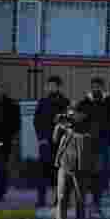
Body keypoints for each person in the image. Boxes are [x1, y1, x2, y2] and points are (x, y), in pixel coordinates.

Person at [52, 103, 99, 219]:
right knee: (61, 199)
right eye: (70, 113)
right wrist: (59, 127)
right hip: (64, 167)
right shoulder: (65, 126)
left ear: (82, 114)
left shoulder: (89, 125)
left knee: (80, 200)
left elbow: (88, 140)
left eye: (74, 114)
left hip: (81, 169)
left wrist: (70, 128)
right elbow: (54, 140)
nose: (71, 116)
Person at [78, 78, 110, 217]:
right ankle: (95, 204)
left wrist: (108, 127)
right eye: (94, 87)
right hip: (89, 142)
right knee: (93, 174)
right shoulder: (85, 103)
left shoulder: (109, 102)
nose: (96, 89)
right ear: (91, 87)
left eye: (99, 86)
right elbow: (78, 118)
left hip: (105, 142)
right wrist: (86, 129)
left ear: (102, 87)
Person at [33, 76, 70, 208]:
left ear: (59, 87)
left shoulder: (65, 102)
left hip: (60, 143)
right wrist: (41, 139)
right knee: (42, 172)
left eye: (53, 85)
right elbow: (37, 122)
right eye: (49, 85)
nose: (50, 88)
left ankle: (59, 199)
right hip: (45, 142)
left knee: (59, 172)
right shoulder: (42, 102)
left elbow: (68, 122)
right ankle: (41, 199)